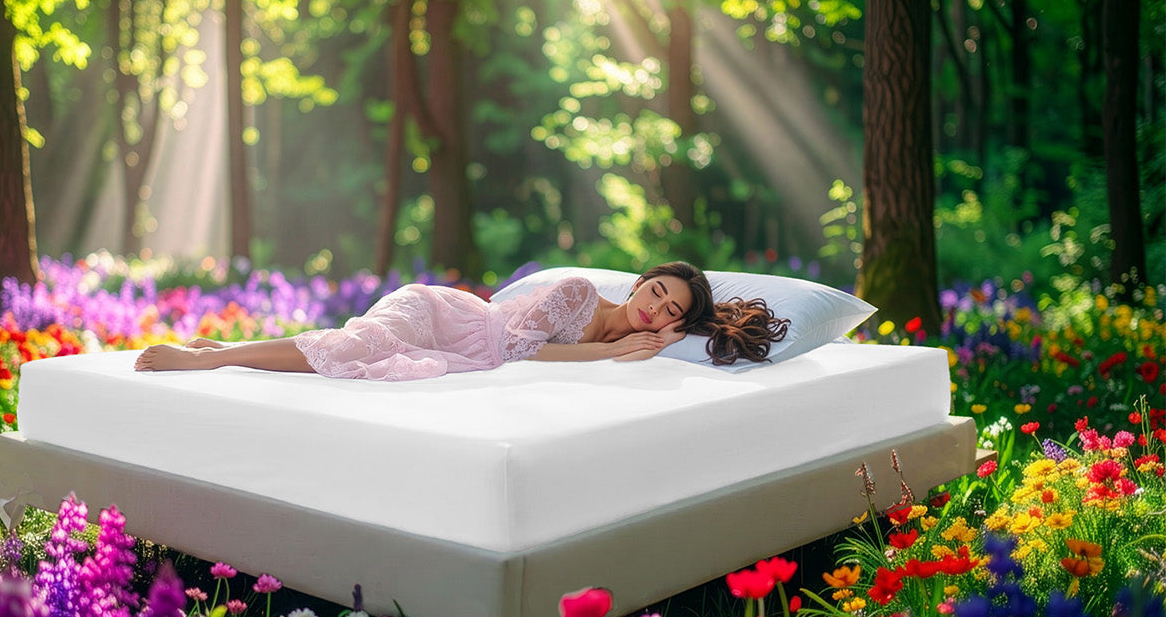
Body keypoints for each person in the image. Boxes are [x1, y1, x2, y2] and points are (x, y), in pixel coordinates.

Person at [133, 262, 789, 380]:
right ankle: (208, 358)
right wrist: (613, 353)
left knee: (358, 357)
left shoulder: (644, 344)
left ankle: (224, 347)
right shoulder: (579, 293)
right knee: (361, 344)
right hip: (444, 314)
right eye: (656, 291)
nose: (656, 308)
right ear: (640, 281)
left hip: (465, 349)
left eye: (672, 310)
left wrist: (653, 348)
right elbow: (519, 352)